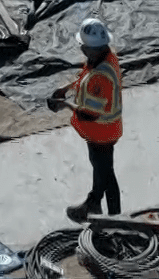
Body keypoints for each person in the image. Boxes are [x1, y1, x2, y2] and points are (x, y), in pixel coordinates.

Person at [52, 17, 123, 223]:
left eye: (83, 47)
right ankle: (103, 209)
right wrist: (67, 88)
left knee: (105, 174)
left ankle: (109, 214)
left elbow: (89, 113)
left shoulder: (100, 76)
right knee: (103, 171)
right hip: (106, 131)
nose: (82, 50)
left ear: (90, 49)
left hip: (101, 133)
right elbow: (85, 76)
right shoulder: (107, 58)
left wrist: (64, 104)